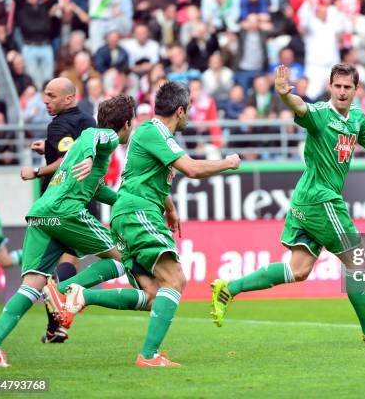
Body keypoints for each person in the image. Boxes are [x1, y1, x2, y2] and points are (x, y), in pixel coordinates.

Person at [210, 64, 365, 345]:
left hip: (305, 200)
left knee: (299, 270)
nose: (342, 92)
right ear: (330, 87)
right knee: (356, 259)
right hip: (321, 198)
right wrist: (283, 95)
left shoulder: (357, 119)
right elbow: (300, 107)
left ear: (356, 90)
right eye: (337, 86)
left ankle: (229, 288)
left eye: (347, 87)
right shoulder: (319, 115)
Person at [56, 82, 240, 367]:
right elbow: (190, 168)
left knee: (154, 295)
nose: (189, 115)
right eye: (188, 110)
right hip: (137, 213)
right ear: (180, 111)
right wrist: (228, 162)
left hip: (130, 213)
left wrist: (170, 208)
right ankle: (149, 355)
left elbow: (145, 175)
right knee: (176, 279)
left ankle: (82, 295)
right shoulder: (153, 131)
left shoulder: (152, 133)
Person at [0, 95, 137, 368]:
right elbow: (93, 138)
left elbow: (95, 189)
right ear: (126, 123)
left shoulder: (79, 148)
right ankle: (62, 291)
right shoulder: (104, 137)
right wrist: (89, 156)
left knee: (31, 286)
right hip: (65, 211)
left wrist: (127, 202)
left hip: (42, 214)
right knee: (123, 256)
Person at [19, 77, 97, 343]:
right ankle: (56, 327)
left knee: (42, 268)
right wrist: (49, 147)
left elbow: (66, 159)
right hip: (85, 197)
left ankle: (54, 295)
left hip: (57, 202)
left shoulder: (57, 125)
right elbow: (76, 148)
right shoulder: (89, 121)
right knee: (71, 260)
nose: (45, 101)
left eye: (51, 96)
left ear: (68, 98)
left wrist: (37, 171)